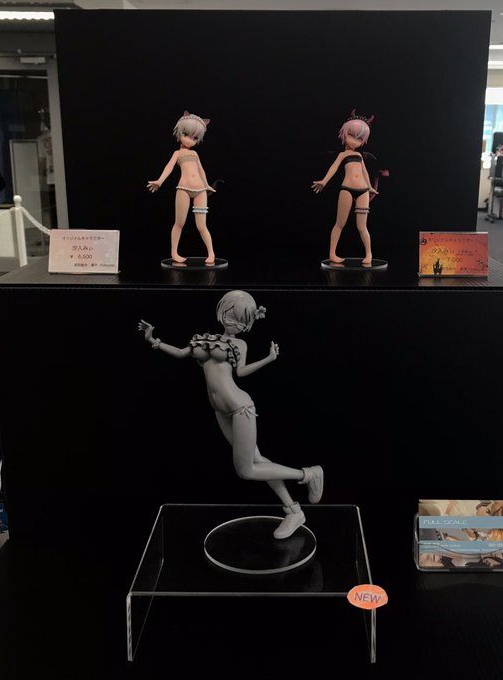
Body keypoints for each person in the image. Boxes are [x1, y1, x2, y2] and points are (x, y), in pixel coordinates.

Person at [138, 290, 324, 540]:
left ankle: (307, 474)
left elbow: (242, 372)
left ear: (246, 325)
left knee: (246, 470)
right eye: (229, 314)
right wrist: (153, 340)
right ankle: (294, 511)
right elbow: (181, 353)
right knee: (257, 461)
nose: (231, 321)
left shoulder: (240, 344)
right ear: (221, 312)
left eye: (239, 320)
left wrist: (268, 359)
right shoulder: (204, 339)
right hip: (221, 411)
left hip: (239, 407)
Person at [147, 111, 216, 264]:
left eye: (195, 138)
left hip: (200, 191)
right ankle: (174, 252)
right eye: (186, 134)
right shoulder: (177, 153)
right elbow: (169, 167)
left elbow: (201, 171)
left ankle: (211, 252)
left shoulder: (195, 154)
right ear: (180, 132)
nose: (190, 140)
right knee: (179, 223)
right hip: (184, 189)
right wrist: (160, 181)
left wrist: (206, 185)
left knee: (202, 225)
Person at [312, 110, 379, 264]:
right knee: (340, 223)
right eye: (351, 135)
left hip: (363, 191)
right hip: (347, 189)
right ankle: (332, 253)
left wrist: (369, 187)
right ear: (344, 134)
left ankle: (369, 254)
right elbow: (333, 168)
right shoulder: (342, 155)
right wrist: (324, 181)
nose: (355, 141)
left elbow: (365, 172)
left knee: (362, 226)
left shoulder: (360, 156)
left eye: (359, 138)